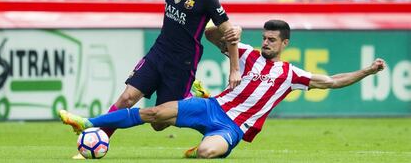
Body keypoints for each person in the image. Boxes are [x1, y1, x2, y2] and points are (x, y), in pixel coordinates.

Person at [59, 19, 386, 159]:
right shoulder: (246, 53)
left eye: (273, 40)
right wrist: (228, 30)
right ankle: (89, 123)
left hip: (231, 127)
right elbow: (213, 36)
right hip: (211, 106)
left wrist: (368, 71)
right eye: (265, 37)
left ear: (284, 43)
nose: (266, 42)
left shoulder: (290, 73)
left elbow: (332, 81)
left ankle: (198, 147)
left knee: (206, 153)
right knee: (154, 112)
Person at [98, 0, 241, 138]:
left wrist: (234, 69)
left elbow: (230, 33)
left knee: (158, 124)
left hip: (182, 63)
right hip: (158, 53)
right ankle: (98, 137)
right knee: (127, 98)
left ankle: (192, 101)